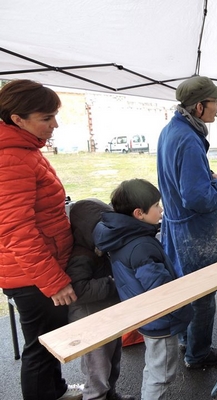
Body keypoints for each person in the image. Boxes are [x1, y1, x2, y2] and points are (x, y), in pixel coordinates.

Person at [0, 80, 83, 400]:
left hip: (38, 268)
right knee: (40, 345)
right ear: (17, 119)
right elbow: (15, 231)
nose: (55, 125)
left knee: (49, 340)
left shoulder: (23, 149)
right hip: (33, 275)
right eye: (46, 118)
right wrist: (54, 282)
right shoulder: (12, 159)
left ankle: (55, 391)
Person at [157, 76, 217, 369]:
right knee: (202, 298)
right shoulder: (189, 139)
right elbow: (197, 199)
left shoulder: (172, 130)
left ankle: (186, 341)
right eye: (215, 101)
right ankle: (197, 354)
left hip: (178, 229)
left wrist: (209, 175)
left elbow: (182, 177)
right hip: (194, 233)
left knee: (185, 291)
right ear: (200, 106)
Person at [93, 179, 193, 400]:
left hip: (146, 317)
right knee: (162, 375)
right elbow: (161, 291)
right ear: (139, 213)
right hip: (161, 321)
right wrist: (184, 303)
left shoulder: (121, 235)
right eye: (156, 206)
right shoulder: (140, 246)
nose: (161, 210)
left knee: (154, 366)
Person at [66, 199, 134, 400]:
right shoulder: (81, 255)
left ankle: (110, 394)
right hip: (90, 323)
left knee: (113, 360)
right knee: (97, 369)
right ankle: (95, 397)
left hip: (107, 315)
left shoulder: (101, 249)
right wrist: (113, 282)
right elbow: (79, 288)